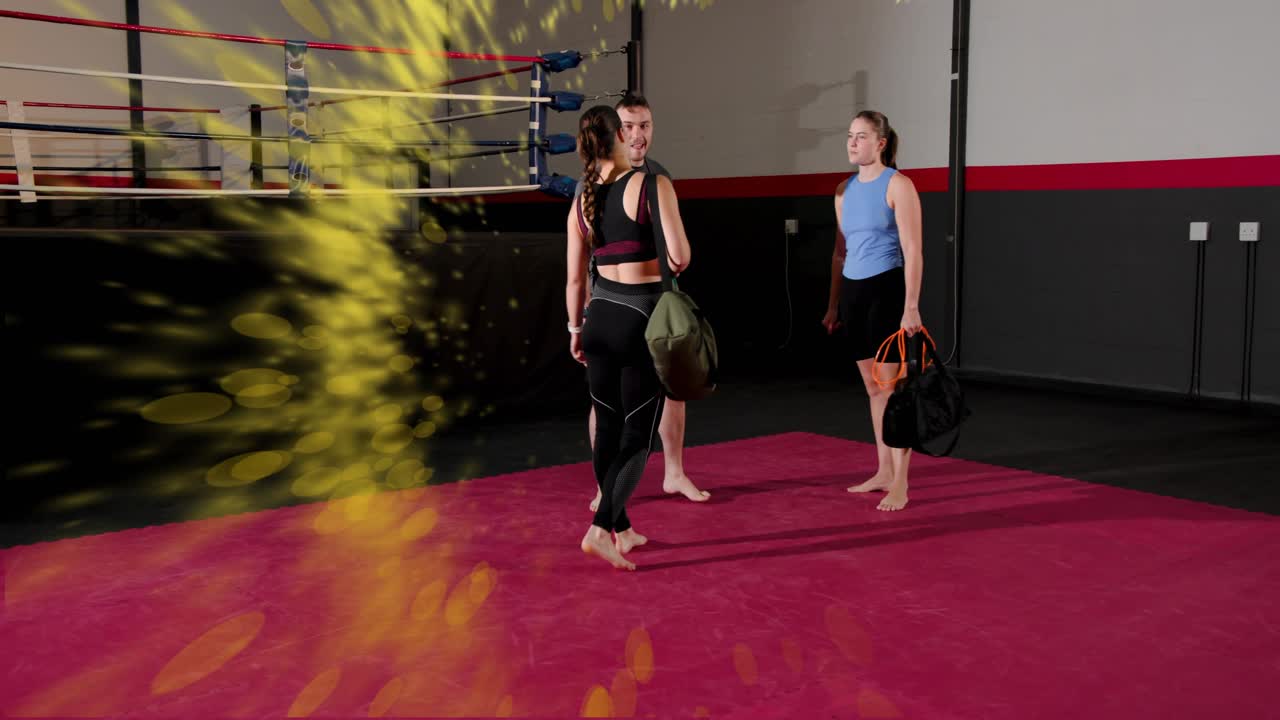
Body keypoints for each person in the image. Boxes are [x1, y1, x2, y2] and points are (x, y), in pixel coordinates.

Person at [567, 105, 692, 570]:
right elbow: (680, 257)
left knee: (607, 426)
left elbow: (574, 281)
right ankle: (600, 529)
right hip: (640, 317)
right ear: (620, 135)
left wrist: (574, 330)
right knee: (637, 434)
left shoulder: (583, 197)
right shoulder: (652, 184)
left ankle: (622, 529)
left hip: (598, 319)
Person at [578, 93, 709, 513]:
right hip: (616, 302)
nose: (638, 135)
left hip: (650, 302)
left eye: (645, 125)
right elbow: (584, 262)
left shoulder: (657, 175)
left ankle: (673, 472)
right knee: (615, 409)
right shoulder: (592, 184)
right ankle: (607, 499)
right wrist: (584, 313)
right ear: (615, 133)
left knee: (669, 390)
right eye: (629, 127)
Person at [822, 110, 923, 512]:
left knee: (892, 388)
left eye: (861, 136)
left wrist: (911, 307)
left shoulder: (898, 185)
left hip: (886, 291)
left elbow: (914, 250)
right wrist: (833, 305)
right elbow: (839, 252)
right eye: (850, 135)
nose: (852, 142)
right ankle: (883, 470)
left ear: (880, 143)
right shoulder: (843, 191)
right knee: (871, 387)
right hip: (853, 291)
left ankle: (901, 482)